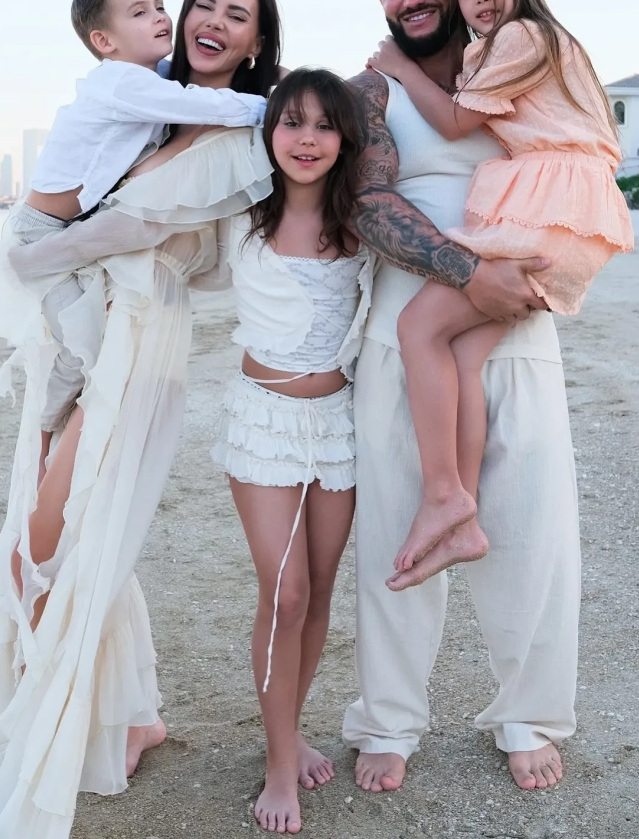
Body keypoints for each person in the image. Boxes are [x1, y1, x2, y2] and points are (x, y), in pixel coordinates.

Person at [0, 0, 282, 839]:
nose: (207, 20)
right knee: (66, 537)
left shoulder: (243, 137)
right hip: (90, 336)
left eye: (236, 15)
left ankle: (17, 770)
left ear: (256, 43)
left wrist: (28, 259)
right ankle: (133, 717)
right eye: (200, 4)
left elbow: (157, 241)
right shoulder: (148, 110)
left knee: (46, 554)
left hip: (139, 346)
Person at [341, 0, 581, 795]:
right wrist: (466, 272)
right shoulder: (372, 89)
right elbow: (365, 201)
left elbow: (574, 163)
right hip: (405, 330)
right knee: (395, 531)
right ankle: (389, 718)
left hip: (517, 326)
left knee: (532, 530)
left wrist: (535, 271)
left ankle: (530, 713)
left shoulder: (517, 63)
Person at [366, 0, 633, 581]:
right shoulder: (505, 46)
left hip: (555, 211)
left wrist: (399, 68)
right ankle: (461, 515)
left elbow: (456, 122)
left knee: (416, 328)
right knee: (459, 356)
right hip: (568, 213)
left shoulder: (523, 37)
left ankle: (443, 494)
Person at [10, 0, 266, 475]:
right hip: (42, 235)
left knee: (87, 341)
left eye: (160, 6)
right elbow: (196, 100)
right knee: (84, 344)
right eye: (141, 12)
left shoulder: (148, 78)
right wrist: (271, 107)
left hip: (69, 230)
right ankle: (44, 428)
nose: (160, 18)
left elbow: (181, 80)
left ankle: (56, 429)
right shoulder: (123, 82)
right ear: (104, 42)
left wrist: (273, 73)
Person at [210, 68, 372, 834]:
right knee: (286, 593)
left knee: (321, 588)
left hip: (337, 421)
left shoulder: (363, 224)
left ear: (345, 140)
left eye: (325, 125)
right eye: (291, 122)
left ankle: (292, 729)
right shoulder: (239, 216)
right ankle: (279, 766)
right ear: (268, 132)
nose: (307, 139)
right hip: (264, 420)